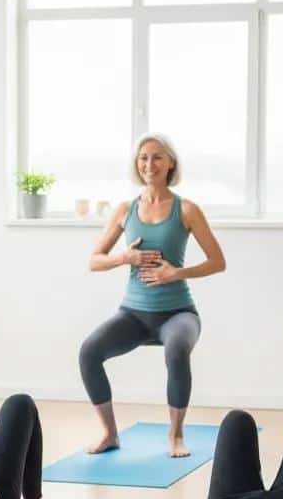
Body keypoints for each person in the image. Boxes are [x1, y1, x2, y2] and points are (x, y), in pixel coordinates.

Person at [79, 132, 226, 458]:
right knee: (89, 352)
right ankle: (109, 433)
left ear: (171, 163)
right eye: (144, 158)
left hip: (178, 313)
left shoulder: (187, 210)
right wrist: (124, 258)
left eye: (157, 157)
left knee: (176, 349)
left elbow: (218, 261)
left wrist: (177, 272)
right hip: (133, 314)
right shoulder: (124, 210)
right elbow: (94, 260)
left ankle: (175, 435)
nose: (150, 164)